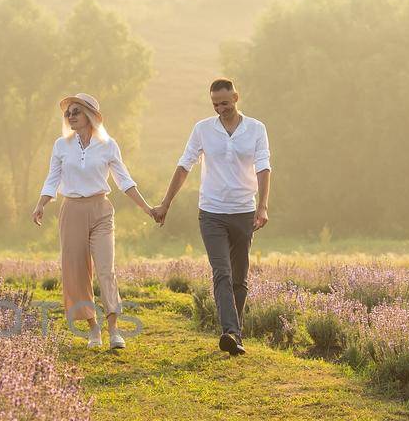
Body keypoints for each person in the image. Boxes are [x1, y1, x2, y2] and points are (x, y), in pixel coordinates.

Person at [152, 79, 272, 355]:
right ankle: (230, 332)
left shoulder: (256, 129)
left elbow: (264, 167)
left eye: (225, 103)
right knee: (222, 272)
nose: (220, 108)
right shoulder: (203, 129)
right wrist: (166, 203)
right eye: (215, 104)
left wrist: (262, 206)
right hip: (212, 212)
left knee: (240, 277)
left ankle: (235, 336)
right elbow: (185, 166)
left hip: (243, 211)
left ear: (236, 97)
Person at [32, 92, 159, 349]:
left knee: (105, 269)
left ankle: (114, 330)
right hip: (72, 210)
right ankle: (93, 328)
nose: (70, 117)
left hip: (101, 209)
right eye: (68, 113)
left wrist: (147, 208)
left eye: (76, 111)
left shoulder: (108, 145)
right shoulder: (61, 145)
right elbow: (52, 179)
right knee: (76, 271)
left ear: (90, 115)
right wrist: (41, 204)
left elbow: (124, 180)